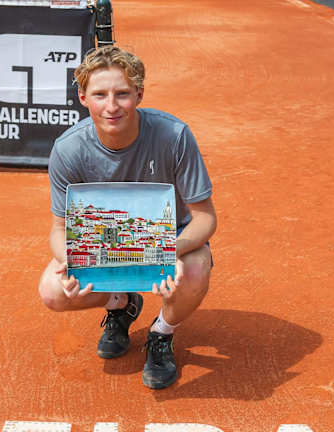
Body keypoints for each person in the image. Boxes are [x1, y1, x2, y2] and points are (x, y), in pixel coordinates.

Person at [37, 45, 216, 390]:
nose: (111, 106)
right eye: (99, 95)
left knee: (194, 270)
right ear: (83, 98)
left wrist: (169, 252)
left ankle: (162, 332)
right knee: (53, 291)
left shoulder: (174, 136)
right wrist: (71, 260)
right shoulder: (68, 149)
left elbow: (205, 218)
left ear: (139, 94)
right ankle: (121, 302)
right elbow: (59, 229)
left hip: (170, 237)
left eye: (122, 94)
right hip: (103, 242)